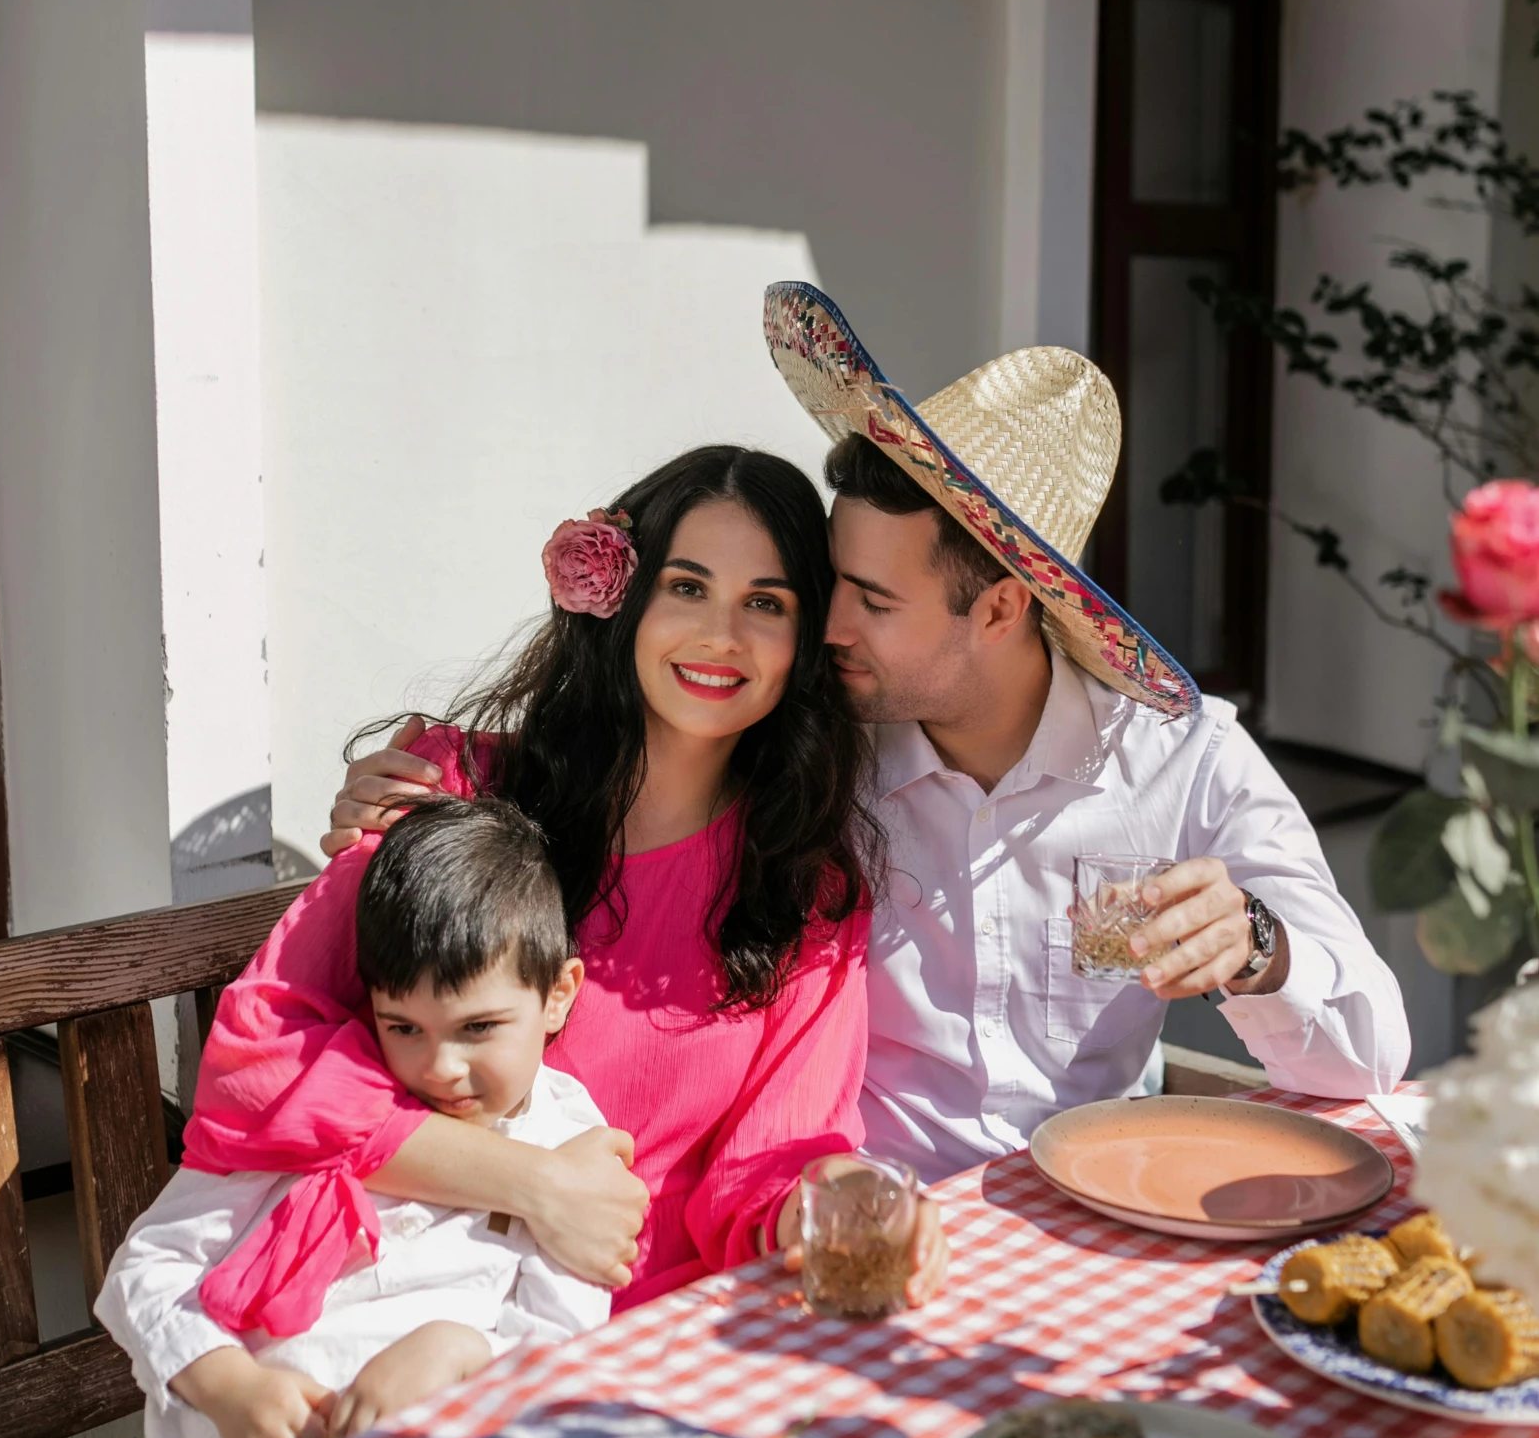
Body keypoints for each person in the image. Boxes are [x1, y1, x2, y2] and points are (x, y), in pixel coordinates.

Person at [330, 289, 1412, 1187]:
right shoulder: (814, 745)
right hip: (850, 1224)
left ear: (997, 608)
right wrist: (464, 785)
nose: (825, 629)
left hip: (1089, 1229)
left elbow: (1372, 1053)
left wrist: (1257, 948)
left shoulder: (1183, 762)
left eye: (871, 602)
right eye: (826, 586)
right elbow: (631, 757)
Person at [190, 443, 950, 1312]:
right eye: (687, 587)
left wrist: (840, 1200)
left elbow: (769, 1166)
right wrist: (534, 1184)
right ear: (622, 601)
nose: (720, 636)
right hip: (398, 1305)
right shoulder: (451, 792)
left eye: (765, 604)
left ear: (804, 643)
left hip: (643, 1332)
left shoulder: (801, 888)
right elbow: (256, 1063)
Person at [97, 798, 612, 1438]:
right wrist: (230, 1386)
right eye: (403, 1027)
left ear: (557, 995)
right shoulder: (317, 1105)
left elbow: (561, 1356)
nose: (440, 1067)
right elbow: (146, 1269)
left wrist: (462, 1349)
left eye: (479, 1029)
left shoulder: (570, 1143)